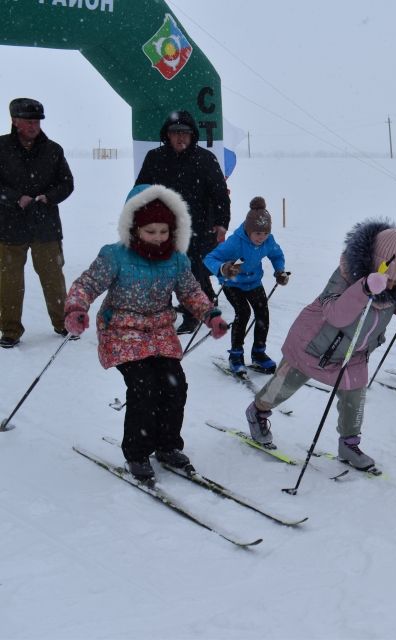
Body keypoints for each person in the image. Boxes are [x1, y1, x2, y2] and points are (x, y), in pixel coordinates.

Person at [243, 219, 396, 471]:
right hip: (312, 345)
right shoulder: (344, 275)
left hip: (354, 353)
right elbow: (337, 315)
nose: (393, 285)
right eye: (390, 278)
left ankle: (349, 444)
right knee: (282, 388)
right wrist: (363, 289)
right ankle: (258, 411)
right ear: (376, 264)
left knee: (354, 398)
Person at [62, 184, 229, 481]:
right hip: (121, 328)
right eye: (150, 231)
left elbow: (191, 292)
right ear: (134, 228)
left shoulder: (177, 259)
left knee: (175, 384)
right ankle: (137, 452)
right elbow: (86, 284)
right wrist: (76, 308)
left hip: (159, 328)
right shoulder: (116, 256)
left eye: (163, 232)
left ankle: (166, 445)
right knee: (144, 386)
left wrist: (211, 315)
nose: (157, 238)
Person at [136, 109, 231, 335]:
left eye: (185, 133)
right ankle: (162, 314)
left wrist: (221, 223)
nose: (180, 138)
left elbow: (220, 195)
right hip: (162, 228)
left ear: (192, 135)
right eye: (175, 133)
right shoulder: (155, 158)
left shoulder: (206, 159)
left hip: (197, 228)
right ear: (167, 135)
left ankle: (192, 315)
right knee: (161, 272)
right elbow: (141, 190)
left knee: (191, 274)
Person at [0, 98, 75, 348]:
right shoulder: (1, 147)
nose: (34, 126)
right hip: (9, 227)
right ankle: (10, 330)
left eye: (37, 121)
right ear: (15, 121)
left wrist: (49, 197)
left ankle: (63, 323)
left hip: (46, 227)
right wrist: (14, 198)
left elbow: (67, 183)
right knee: (9, 282)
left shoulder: (54, 150)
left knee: (53, 278)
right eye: (29, 121)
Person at [203, 196, 287, 376]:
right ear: (249, 230)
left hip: (254, 281)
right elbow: (209, 258)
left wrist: (280, 271)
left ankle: (258, 353)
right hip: (233, 283)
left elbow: (277, 255)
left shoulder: (268, 241)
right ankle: (236, 356)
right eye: (257, 234)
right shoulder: (235, 242)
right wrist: (223, 268)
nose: (261, 238)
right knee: (243, 312)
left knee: (263, 313)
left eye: (265, 234)